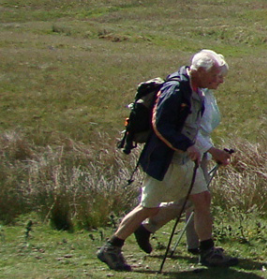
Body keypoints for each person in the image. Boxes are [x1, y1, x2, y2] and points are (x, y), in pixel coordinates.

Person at [96, 50, 239, 271]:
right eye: (214, 76)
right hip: (165, 161)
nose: (217, 81)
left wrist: (196, 148)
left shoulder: (193, 89)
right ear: (200, 71)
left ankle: (207, 252)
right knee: (148, 208)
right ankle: (111, 247)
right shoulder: (175, 90)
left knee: (202, 199)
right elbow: (161, 125)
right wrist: (187, 146)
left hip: (183, 160)